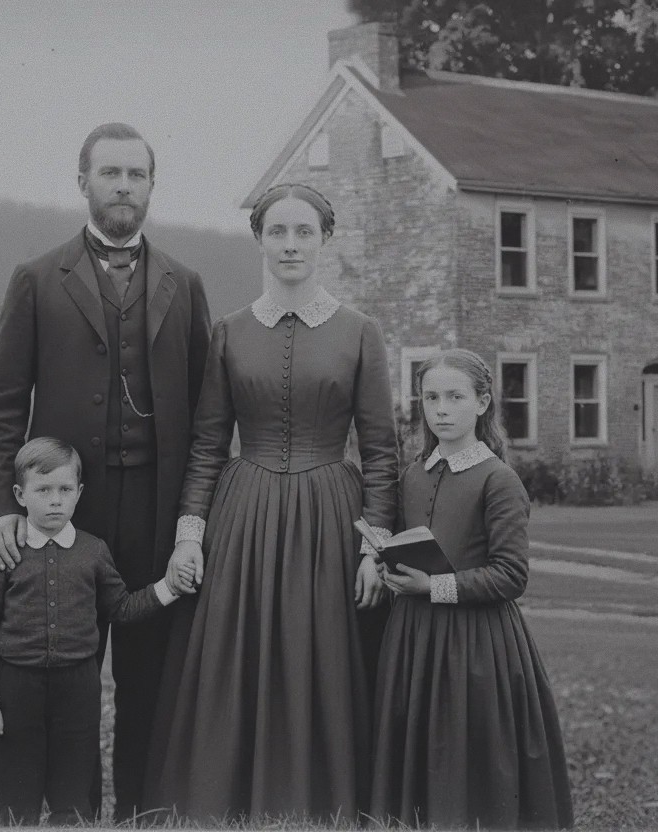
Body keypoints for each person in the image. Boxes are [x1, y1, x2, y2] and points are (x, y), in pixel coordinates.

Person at [0, 122, 212, 819]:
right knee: (64, 677)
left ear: (151, 186)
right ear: (82, 181)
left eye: (136, 174)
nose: (123, 186)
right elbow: (1, 409)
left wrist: (194, 519)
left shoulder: (184, 283)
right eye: (110, 173)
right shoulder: (36, 279)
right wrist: (3, 512)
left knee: (149, 679)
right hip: (63, 513)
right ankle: (73, 817)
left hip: (157, 512)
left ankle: (142, 814)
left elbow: (208, 417)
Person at [143, 183, 399, 822]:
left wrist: (375, 548)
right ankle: (226, 800)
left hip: (330, 520)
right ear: (260, 239)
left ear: (324, 239)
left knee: (326, 657)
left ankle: (326, 802)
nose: (290, 244)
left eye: (304, 232)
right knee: (237, 657)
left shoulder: (360, 332)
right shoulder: (229, 332)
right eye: (278, 232)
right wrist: (189, 536)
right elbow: (207, 445)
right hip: (245, 518)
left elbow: (381, 452)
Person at [369, 349, 573, 829]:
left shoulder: (498, 480)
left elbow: (511, 575)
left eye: (455, 397)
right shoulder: (413, 475)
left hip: (477, 642)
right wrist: (389, 565)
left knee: (469, 749)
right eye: (431, 398)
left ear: (482, 403)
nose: (441, 409)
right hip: (414, 636)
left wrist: (432, 585)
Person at [0, 438, 192, 825]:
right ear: (20, 495)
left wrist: (168, 588)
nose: (55, 501)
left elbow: (121, 608)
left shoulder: (93, 551)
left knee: (72, 793)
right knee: (17, 795)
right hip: (17, 685)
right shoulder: (6, 553)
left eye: (65, 489)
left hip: (78, 688)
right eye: (43, 490)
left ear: (79, 493)